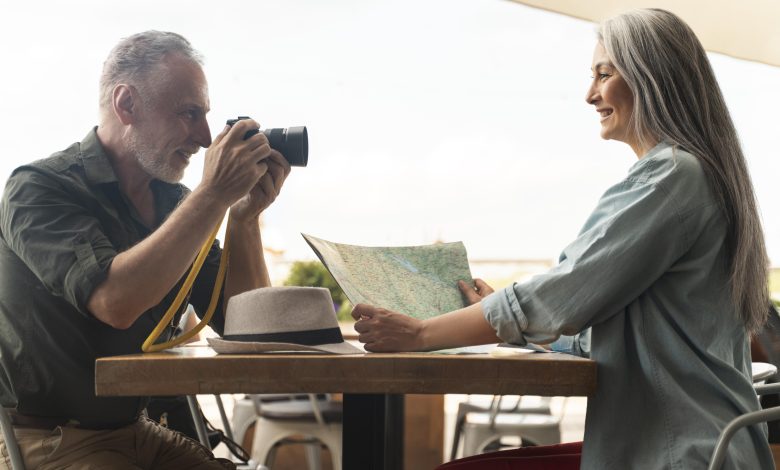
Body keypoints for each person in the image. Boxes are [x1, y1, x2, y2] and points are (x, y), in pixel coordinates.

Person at [352, 9, 773, 470]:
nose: (590, 94)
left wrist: (421, 333)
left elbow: (561, 296)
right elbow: (602, 333)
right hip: (703, 445)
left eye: (604, 74)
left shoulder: (670, 177)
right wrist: (519, 328)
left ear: (652, 78)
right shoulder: (700, 176)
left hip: (677, 453)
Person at [0, 31, 290, 469]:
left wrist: (243, 218)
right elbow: (115, 302)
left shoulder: (175, 204)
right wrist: (212, 196)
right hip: (51, 441)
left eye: (205, 116)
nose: (206, 137)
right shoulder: (38, 188)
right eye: (189, 114)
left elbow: (248, 327)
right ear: (126, 105)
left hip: (138, 430)